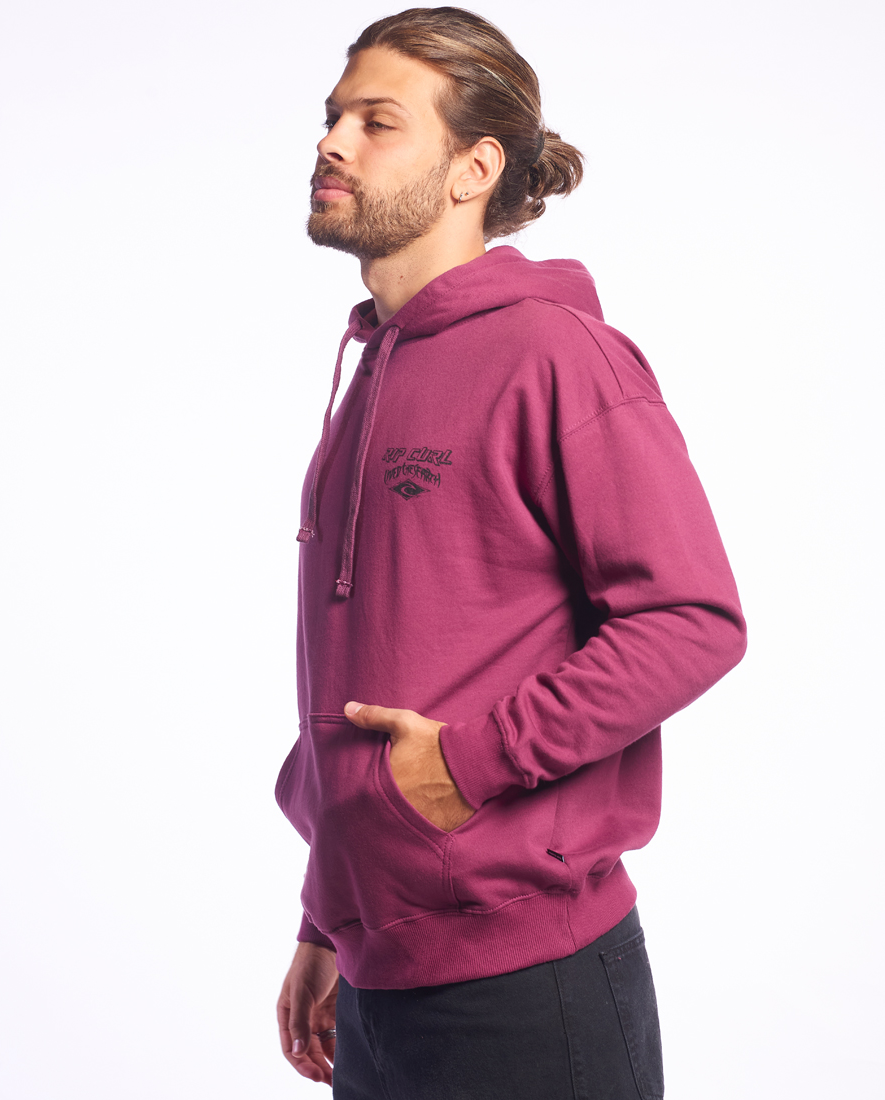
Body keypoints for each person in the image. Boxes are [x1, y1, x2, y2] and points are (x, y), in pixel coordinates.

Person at [275, 8, 746, 1097]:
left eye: (377, 121)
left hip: (530, 988)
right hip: (377, 973)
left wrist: (470, 763)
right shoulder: (374, 368)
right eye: (333, 117)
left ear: (473, 168)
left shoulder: (555, 355)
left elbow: (692, 620)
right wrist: (326, 914)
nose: (332, 143)